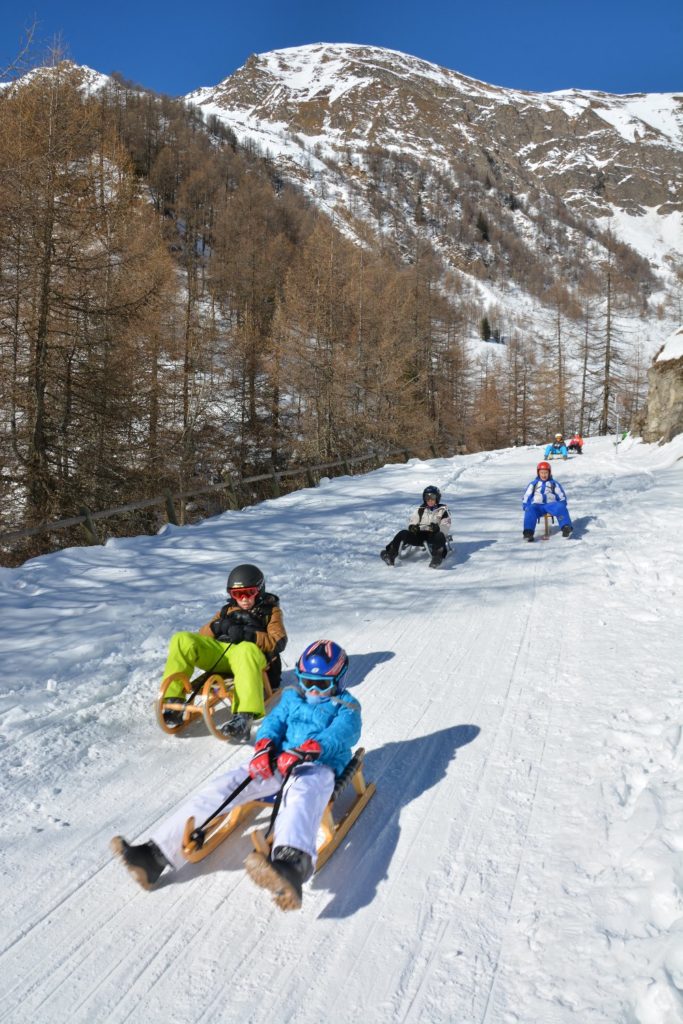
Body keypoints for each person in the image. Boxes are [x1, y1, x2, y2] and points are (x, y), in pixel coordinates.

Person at [113, 640, 361, 911]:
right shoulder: (292, 697)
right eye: (307, 681)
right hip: (278, 761)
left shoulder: (346, 706)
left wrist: (309, 750)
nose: (312, 690)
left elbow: (341, 734)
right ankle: (155, 855)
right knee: (226, 784)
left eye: (322, 684)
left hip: (317, 767)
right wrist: (264, 746)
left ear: (338, 681)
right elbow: (273, 723)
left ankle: (293, 863)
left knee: (302, 796)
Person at [160, 563, 287, 740]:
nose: (243, 599)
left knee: (245, 649)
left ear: (260, 590)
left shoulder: (270, 612)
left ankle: (244, 715)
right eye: (237, 594)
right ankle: (173, 701)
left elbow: (278, 642)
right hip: (223, 654)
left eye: (249, 593)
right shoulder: (227, 610)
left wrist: (249, 635)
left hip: (250, 657)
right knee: (182, 639)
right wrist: (217, 626)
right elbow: (202, 637)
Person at [380, 486, 452, 569]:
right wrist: (412, 527)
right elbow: (413, 521)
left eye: (432, 497)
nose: (430, 500)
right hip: (419, 535)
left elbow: (446, 525)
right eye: (427, 497)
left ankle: (437, 556)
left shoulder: (442, 511)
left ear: (437, 498)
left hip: (433, 536)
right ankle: (390, 554)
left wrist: (437, 528)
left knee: (440, 535)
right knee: (403, 533)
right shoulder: (420, 510)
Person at [522, 461, 573, 541]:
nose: (544, 475)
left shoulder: (554, 484)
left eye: (546, 473)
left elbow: (561, 494)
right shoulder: (533, 484)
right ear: (538, 473)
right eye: (541, 473)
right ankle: (529, 532)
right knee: (530, 509)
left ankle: (566, 527)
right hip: (537, 506)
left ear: (549, 473)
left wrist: (562, 503)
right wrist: (525, 505)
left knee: (560, 507)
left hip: (551, 505)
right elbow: (527, 495)